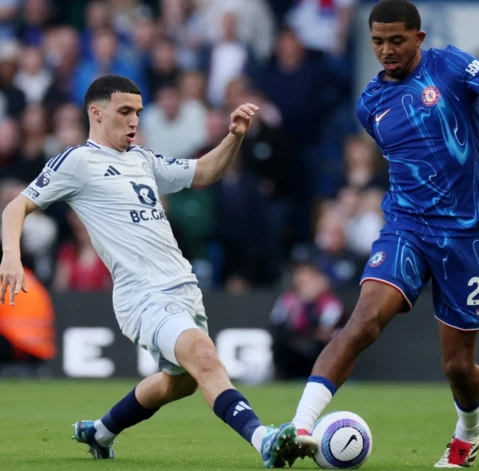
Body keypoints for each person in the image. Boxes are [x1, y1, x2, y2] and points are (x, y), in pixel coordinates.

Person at [0, 74, 308, 468]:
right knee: (205, 357)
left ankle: (101, 431)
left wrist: (234, 137)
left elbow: (202, 173)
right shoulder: (78, 161)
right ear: (96, 113)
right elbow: (16, 206)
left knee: (179, 382)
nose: (134, 121)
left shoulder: (143, 159)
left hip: (183, 289)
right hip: (142, 294)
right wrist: (11, 255)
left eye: (138, 113)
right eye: (124, 112)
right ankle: (264, 439)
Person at [285, 0, 479, 468]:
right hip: (406, 226)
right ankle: (298, 427)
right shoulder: (370, 105)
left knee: (458, 366)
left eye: (396, 40)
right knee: (361, 325)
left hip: (465, 238)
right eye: (378, 41)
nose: (386, 50)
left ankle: (469, 428)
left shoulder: (451, 65)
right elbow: (415, 165)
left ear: (418, 38)